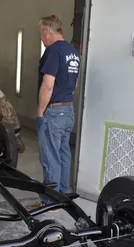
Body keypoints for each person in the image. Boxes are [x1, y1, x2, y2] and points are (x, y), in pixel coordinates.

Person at [27, 15, 81, 210]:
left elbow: (47, 85)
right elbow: (73, 84)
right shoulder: (73, 52)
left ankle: (50, 202)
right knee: (63, 153)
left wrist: (40, 113)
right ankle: (63, 194)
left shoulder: (53, 51)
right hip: (68, 109)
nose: (42, 38)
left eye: (42, 34)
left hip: (54, 111)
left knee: (50, 156)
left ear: (48, 31)